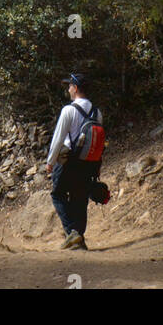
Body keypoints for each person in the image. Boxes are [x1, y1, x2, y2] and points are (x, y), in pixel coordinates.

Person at [45, 72, 101, 250]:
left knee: (58, 194)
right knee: (80, 198)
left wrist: (50, 161)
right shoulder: (97, 112)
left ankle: (72, 234)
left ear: (76, 88)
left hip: (69, 160)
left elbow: (58, 138)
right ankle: (79, 237)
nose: (68, 89)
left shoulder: (68, 110)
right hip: (89, 162)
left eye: (69, 86)